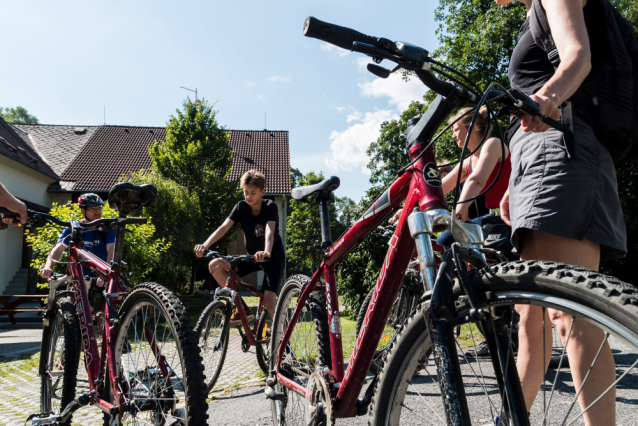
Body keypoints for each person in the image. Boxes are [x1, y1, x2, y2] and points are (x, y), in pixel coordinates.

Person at [497, 0, 626, 423]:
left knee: (571, 314)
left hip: (561, 153)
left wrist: (546, 97)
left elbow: (577, 56)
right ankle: (511, 419)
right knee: (531, 321)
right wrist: (517, 179)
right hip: (542, 160)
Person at [194, 170, 284, 324]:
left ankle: (284, 341)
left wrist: (267, 251)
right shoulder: (241, 207)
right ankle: (242, 309)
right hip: (251, 258)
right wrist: (205, 245)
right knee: (215, 265)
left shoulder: (270, 206)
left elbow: (270, 230)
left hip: (272, 258)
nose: (248, 196)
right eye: (245, 192)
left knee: (269, 303)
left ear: (263, 192)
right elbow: (223, 228)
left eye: (253, 193)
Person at [435, 106, 511, 249]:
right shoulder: (467, 162)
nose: (453, 135)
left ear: (472, 127)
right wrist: (409, 207)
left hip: (512, 214)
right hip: (492, 219)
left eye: (456, 129)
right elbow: (438, 191)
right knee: (446, 239)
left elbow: (476, 180)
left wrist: (457, 214)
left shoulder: (493, 144)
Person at [40, 194, 115, 287]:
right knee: (71, 297)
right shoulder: (75, 227)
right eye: (93, 209)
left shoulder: (107, 227)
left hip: (101, 271)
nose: (98, 212)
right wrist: (48, 267)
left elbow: (111, 250)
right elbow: (58, 248)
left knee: (117, 293)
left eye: (99, 208)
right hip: (78, 274)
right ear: (83, 211)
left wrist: (105, 274)